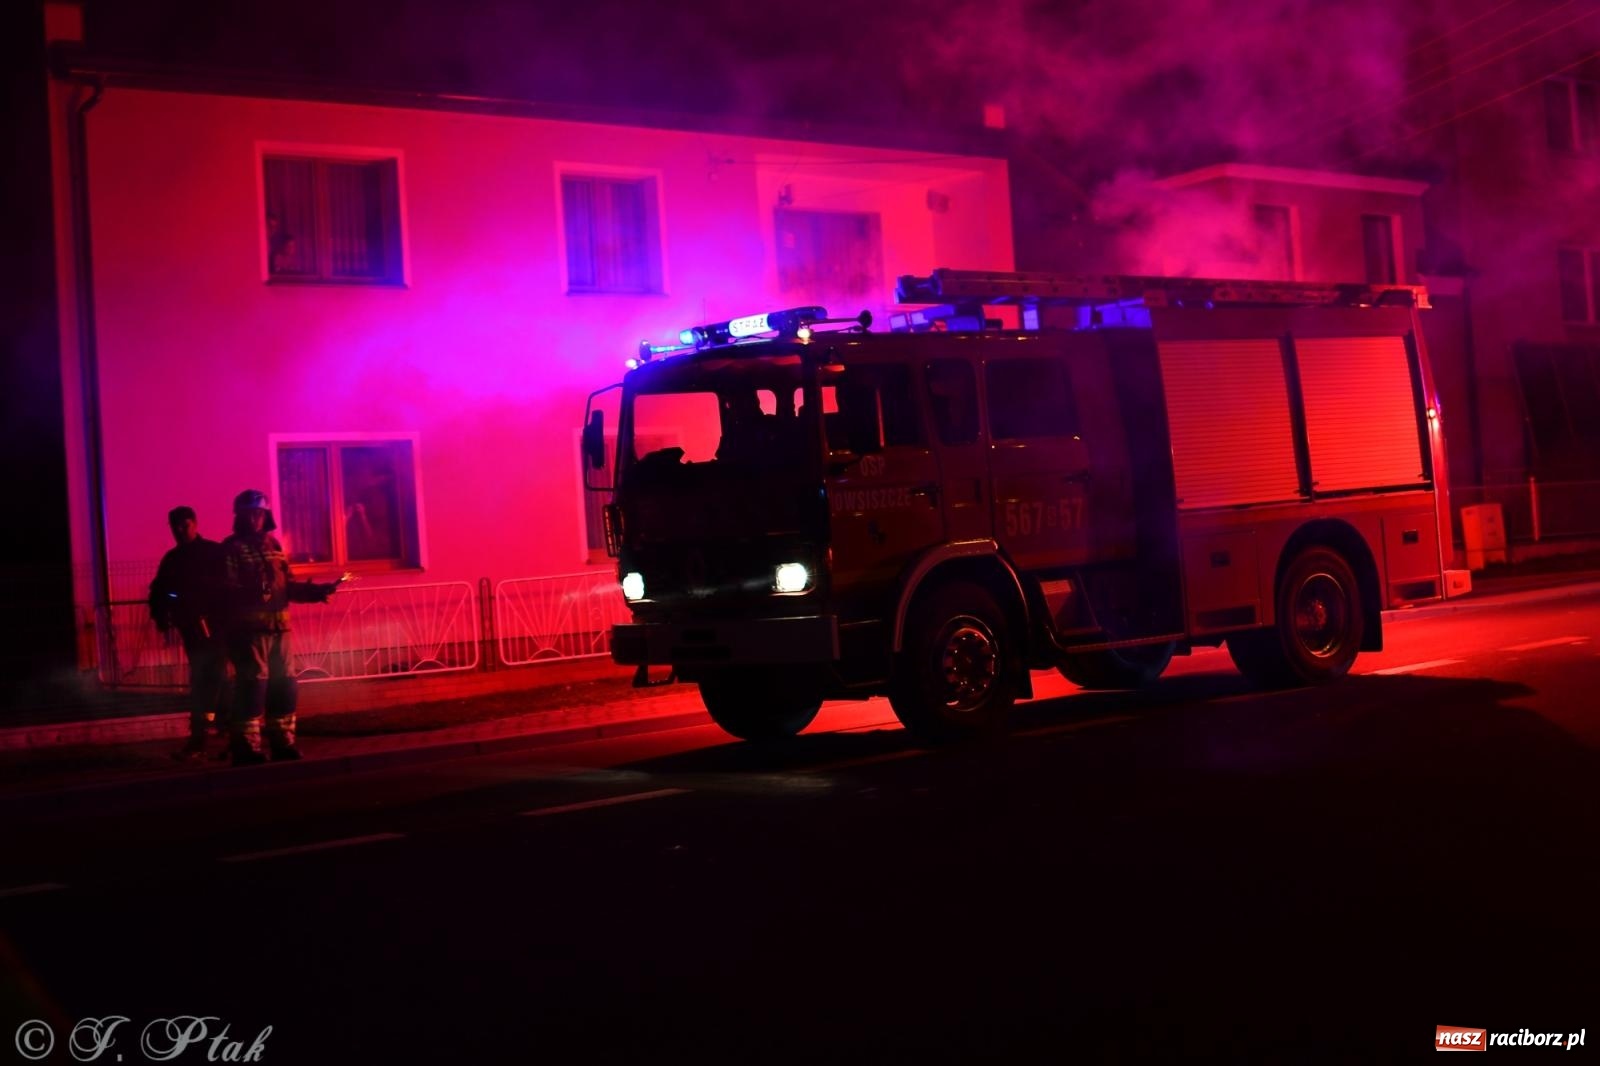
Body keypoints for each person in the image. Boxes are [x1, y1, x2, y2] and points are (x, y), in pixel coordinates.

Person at [219, 490, 339, 765]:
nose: (255, 519)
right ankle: (246, 748)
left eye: (259, 513)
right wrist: (256, 592)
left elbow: (287, 586)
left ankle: (283, 743)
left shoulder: (275, 546)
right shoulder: (231, 549)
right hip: (250, 634)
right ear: (240, 517)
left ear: (266, 516)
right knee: (253, 687)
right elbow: (226, 591)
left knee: (284, 687)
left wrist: (317, 592)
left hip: (280, 632)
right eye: (249, 514)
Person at [148, 506, 228, 760]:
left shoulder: (213, 553)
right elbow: (160, 591)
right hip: (191, 629)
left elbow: (228, 586)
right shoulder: (172, 559)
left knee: (213, 679)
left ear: (195, 523)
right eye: (176, 527)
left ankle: (208, 733)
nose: (180, 531)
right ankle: (208, 733)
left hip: (217, 627)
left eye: (185, 525)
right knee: (209, 679)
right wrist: (165, 618)